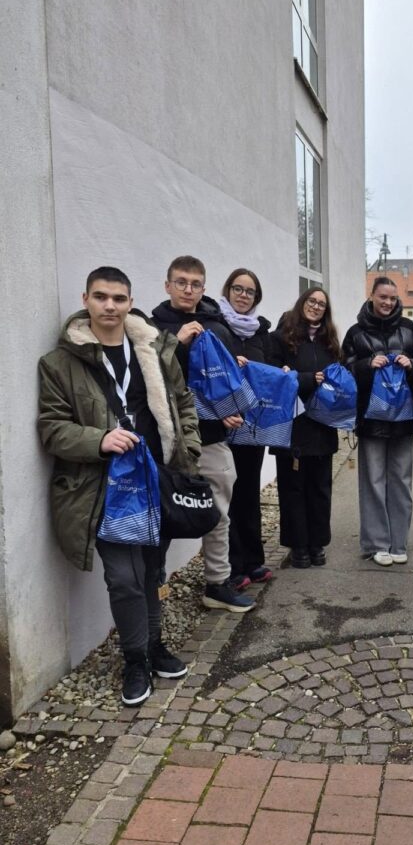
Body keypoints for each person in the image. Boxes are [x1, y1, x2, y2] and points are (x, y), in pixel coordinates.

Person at [38, 267, 201, 706]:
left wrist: (189, 447)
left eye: (118, 298)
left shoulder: (153, 349)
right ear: (85, 300)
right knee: (124, 578)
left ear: (130, 302)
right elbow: (52, 427)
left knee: (151, 570)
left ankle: (153, 646)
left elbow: (183, 401)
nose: (109, 306)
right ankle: (134, 660)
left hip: (155, 480)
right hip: (104, 487)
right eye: (101, 297)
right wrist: (99, 440)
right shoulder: (60, 363)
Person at [152, 256, 255, 613]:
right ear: (167, 285)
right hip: (168, 440)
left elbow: (224, 380)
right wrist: (176, 344)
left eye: (195, 284)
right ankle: (154, 588)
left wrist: (231, 408)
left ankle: (218, 583)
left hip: (211, 437)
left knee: (219, 513)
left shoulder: (217, 326)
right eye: (181, 282)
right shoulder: (151, 327)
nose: (188, 289)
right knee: (164, 513)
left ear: (204, 288)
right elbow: (147, 379)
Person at [343, 276, 413, 565]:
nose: (388, 302)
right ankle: (377, 543)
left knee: (401, 481)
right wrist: (366, 365)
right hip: (370, 419)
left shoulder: (410, 329)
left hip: (404, 419)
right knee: (373, 481)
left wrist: (412, 364)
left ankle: (399, 543)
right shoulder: (355, 332)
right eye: (383, 297)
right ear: (372, 296)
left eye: (392, 298)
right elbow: (345, 371)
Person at [266, 287, 342, 568]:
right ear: (302, 302)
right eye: (312, 301)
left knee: (320, 489)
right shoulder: (280, 338)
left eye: (322, 304)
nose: (316, 306)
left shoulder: (329, 340)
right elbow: (274, 378)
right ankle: (298, 546)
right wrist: (308, 379)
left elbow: (338, 374)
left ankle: (317, 543)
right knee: (293, 490)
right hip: (292, 427)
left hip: (322, 425)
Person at [218, 268, 275, 591]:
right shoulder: (216, 326)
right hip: (224, 423)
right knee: (228, 494)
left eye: (249, 291)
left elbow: (270, 368)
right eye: (238, 289)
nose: (243, 295)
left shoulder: (260, 332)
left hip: (253, 424)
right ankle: (234, 565)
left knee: (249, 492)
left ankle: (254, 560)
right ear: (227, 291)